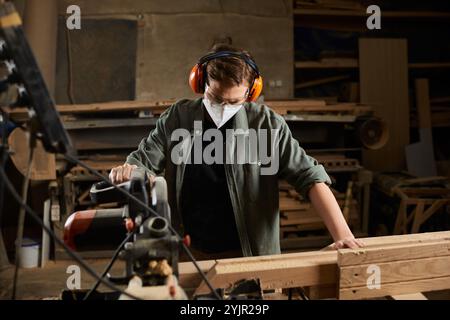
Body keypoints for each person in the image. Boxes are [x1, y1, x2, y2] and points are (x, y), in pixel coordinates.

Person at [109, 44, 364, 259]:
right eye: (215, 98)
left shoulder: (266, 125)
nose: (222, 107)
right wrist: (130, 172)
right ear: (200, 83)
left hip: (250, 253)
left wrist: (343, 236)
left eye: (234, 102)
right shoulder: (179, 117)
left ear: (251, 93)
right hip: (189, 249)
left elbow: (310, 177)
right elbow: (143, 161)